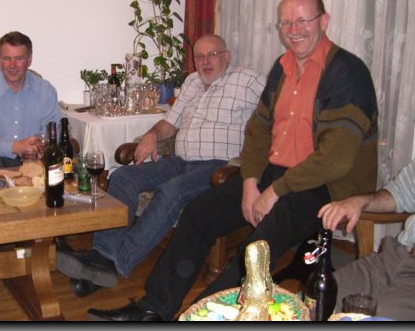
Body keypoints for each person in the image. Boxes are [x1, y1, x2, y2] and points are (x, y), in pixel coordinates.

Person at [86, 0, 379, 321]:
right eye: (286, 23)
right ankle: (153, 308)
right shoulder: (282, 68)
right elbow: (258, 132)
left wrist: (274, 191)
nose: (293, 30)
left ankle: (208, 317)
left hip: (327, 186)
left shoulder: (346, 72)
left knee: (256, 249)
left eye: (303, 20)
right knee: (198, 213)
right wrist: (251, 183)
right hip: (277, 173)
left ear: (324, 21)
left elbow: (335, 159)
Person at [56, 34, 266, 297]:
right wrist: (153, 135)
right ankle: (102, 255)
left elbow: (275, 117)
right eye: (199, 56)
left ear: (227, 56)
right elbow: (170, 123)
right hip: (180, 161)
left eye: (212, 54)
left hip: (218, 167)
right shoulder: (192, 82)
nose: (205, 61)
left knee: (171, 191)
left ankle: (114, 264)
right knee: (123, 177)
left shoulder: (247, 80)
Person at [319, 150, 415, 321]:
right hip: (395, 257)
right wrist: (360, 201)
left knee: (372, 319)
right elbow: (400, 193)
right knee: (317, 300)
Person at [0, 31, 61, 169]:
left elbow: (54, 131)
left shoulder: (45, 90)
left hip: (34, 157)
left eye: (19, 58)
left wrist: (40, 145)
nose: (12, 65)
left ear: (29, 60)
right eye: (7, 58)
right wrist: (15, 147)